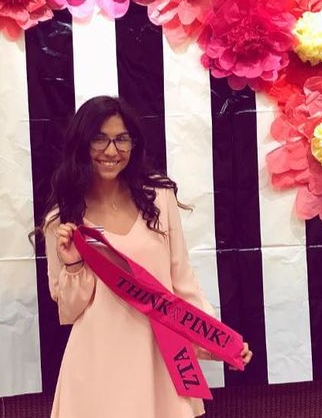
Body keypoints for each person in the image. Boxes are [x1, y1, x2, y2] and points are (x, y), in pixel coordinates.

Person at [43, 96, 252, 418]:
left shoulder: (159, 199)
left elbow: (182, 281)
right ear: (82, 144)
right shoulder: (62, 220)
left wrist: (217, 340)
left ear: (134, 144)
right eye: (99, 139)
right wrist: (73, 264)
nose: (111, 151)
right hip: (96, 363)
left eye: (121, 139)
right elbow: (69, 310)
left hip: (161, 358)